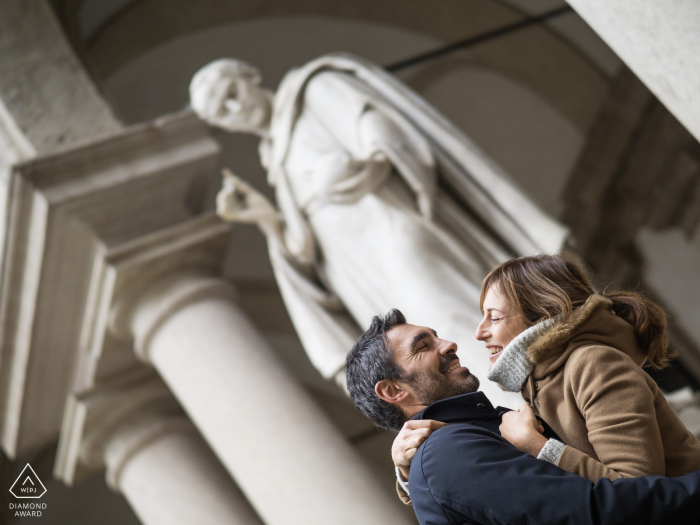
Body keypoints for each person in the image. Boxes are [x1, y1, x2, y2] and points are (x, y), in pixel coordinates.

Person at [190, 53, 567, 407]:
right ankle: (513, 413)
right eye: (224, 112)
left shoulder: (312, 91)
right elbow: (306, 250)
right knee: (425, 353)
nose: (236, 109)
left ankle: (546, 393)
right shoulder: (277, 161)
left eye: (233, 93)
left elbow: (376, 126)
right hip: (360, 272)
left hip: (392, 234)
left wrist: (368, 163)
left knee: (455, 317)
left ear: (251, 77)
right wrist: (264, 217)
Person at [346, 309, 700, 525]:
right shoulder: (446, 453)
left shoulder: (473, 434)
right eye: (423, 347)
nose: (449, 343)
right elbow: (593, 512)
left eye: (436, 336)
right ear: (393, 392)